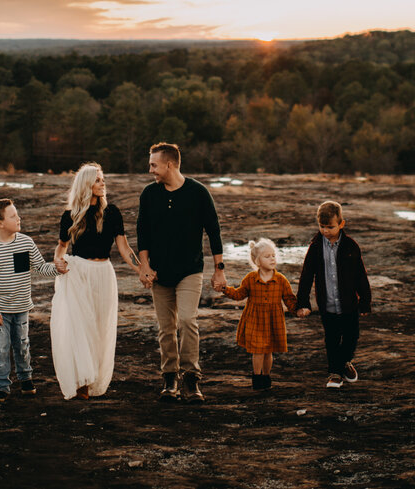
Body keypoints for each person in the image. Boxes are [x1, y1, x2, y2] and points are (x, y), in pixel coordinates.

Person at [135, 142, 226, 403]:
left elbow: (214, 232)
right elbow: (143, 232)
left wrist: (219, 270)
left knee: (187, 321)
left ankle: (191, 378)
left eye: (153, 164)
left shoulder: (198, 192)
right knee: (166, 328)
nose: (150, 169)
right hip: (160, 273)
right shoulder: (149, 194)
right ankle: (169, 377)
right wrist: (145, 265)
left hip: (190, 270)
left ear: (170, 164)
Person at [50, 162, 139, 400]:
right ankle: (82, 384)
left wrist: (142, 270)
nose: (103, 183)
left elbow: (124, 248)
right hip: (78, 273)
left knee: (101, 328)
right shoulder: (69, 215)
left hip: (104, 274)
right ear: (86, 184)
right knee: (82, 327)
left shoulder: (112, 213)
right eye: (98, 179)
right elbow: (61, 248)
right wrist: (58, 262)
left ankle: (94, 377)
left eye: (103, 179)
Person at [0, 198, 65, 403]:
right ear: (0, 223)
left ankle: (26, 379)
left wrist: (57, 268)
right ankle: (2, 386)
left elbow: (41, 268)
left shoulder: (25, 242)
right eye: (13, 216)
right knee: (1, 348)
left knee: (23, 345)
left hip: (21, 308)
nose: (19, 218)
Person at [295, 200, 372, 389]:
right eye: (322, 227)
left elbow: (360, 275)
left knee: (351, 337)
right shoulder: (315, 247)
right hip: (327, 304)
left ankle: (345, 362)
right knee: (331, 339)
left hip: (349, 304)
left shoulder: (351, 246)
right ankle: (335, 374)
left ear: (341, 224)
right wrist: (303, 302)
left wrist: (365, 301)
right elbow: (306, 275)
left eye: (330, 227)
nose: (326, 231)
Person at [220, 238, 298, 391]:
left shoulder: (281, 280)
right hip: (255, 320)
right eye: (267, 256)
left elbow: (289, 299)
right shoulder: (250, 279)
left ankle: (266, 376)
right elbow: (238, 294)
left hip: (273, 320)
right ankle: (257, 377)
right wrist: (225, 289)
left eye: (273, 255)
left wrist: (299, 310)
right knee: (258, 351)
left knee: (268, 351)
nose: (272, 259)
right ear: (257, 261)